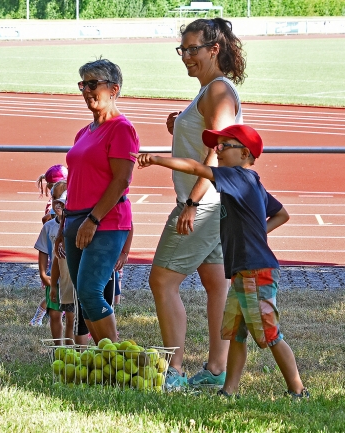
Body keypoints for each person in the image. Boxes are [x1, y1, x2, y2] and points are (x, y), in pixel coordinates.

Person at [135, 124, 308, 399]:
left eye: (224, 146)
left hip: (255, 272)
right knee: (235, 335)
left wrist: (156, 159)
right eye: (218, 146)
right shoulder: (251, 183)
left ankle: (298, 390)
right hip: (242, 272)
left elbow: (195, 168)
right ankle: (228, 391)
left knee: (269, 335)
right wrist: (255, 233)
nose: (218, 151)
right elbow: (281, 214)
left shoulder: (238, 177)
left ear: (244, 153)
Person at [149, 18, 247, 389]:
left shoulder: (218, 91)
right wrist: (182, 124)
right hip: (219, 202)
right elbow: (208, 136)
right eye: (182, 49)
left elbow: (219, 150)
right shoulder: (209, 90)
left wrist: (191, 203)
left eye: (193, 49)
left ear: (213, 49)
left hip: (206, 202)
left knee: (162, 280)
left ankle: (173, 371)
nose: (186, 56)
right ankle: (216, 370)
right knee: (215, 284)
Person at [53, 58, 139, 344]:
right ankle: (105, 357)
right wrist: (64, 227)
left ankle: (118, 356)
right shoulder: (84, 132)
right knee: (82, 293)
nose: (87, 90)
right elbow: (76, 181)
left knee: (91, 290)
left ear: (114, 89)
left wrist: (92, 220)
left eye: (93, 84)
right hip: (75, 220)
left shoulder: (121, 129)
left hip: (104, 221)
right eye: (83, 84)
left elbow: (121, 181)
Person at [29, 164, 68, 326]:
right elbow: (46, 221)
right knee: (54, 291)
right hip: (56, 256)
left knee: (63, 292)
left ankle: (62, 313)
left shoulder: (60, 205)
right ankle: (37, 317)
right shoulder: (56, 207)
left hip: (62, 258)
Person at [48, 187, 76, 345]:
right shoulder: (59, 233)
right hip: (65, 286)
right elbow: (56, 261)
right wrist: (53, 285)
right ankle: (67, 354)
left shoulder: (77, 228)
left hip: (77, 286)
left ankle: (74, 353)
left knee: (74, 322)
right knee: (71, 321)